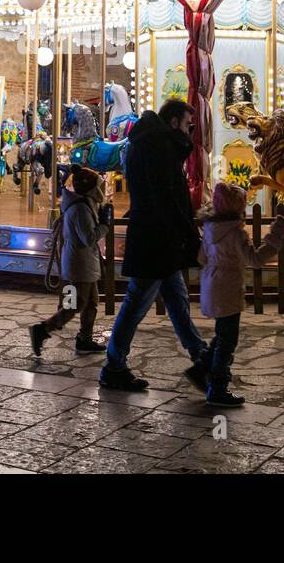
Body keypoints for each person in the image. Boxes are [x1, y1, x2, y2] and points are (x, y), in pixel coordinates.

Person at [100, 98, 209, 393]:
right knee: (137, 302)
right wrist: (190, 235)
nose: (190, 132)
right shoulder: (159, 148)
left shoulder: (150, 143)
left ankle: (202, 358)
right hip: (156, 238)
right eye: (188, 125)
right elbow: (170, 199)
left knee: (177, 300)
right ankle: (114, 365)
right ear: (174, 123)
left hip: (158, 237)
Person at [195, 182, 284, 407]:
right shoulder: (236, 233)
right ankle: (217, 387)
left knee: (222, 334)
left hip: (211, 286)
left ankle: (202, 368)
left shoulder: (209, 230)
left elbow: (201, 259)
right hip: (228, 289)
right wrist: (275, 237)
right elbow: (254, 260)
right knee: (228, 341)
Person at [29, 165, 109, 357]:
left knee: (90, 302)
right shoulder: (81, 209)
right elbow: (88, 238)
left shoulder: (84, 205)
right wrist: (105, 226)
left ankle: (85, 338)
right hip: (79, 266)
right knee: (74, 304)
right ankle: (43, 329)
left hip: (84, 264)